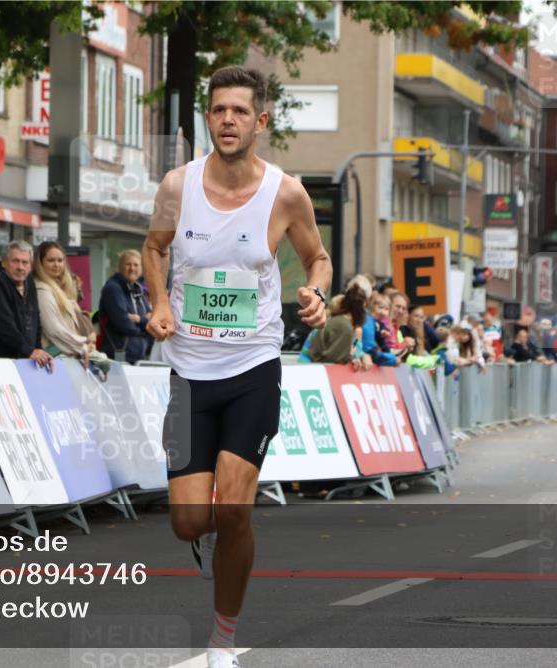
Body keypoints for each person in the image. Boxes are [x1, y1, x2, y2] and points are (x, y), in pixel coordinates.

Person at [142, 65, 332, 667]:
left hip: (253, 368)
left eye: (240, 111)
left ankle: (222, 641)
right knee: (188, 521)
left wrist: (316, 293)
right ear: (209, 117)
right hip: (188, 373)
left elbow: (317, 258)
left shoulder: (287, 193)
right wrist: (162, 302)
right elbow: (154, 247)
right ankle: (210, 546)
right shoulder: (178, 185)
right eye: (219, 109)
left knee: (233, 510)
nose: (228, 120)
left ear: (260, 121)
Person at [0, 240, 52, 369]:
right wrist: (30, 351)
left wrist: (38, 350)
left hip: (22, 361)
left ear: (30, 266)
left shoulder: (29, 281)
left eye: (24, 262)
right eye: (15, 261)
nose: (20, 267)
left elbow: (35, 320)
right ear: (4, 262)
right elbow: (5, 327)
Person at [34, 241, 100, 364]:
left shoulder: (60, 289)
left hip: (65, 358)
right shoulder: (42, 290)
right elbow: (54, 330)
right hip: (53, 360)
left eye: (60, 260)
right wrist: (82, 344)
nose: (56, 265)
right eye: (51, 260)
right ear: (40, 263)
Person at [98, 250, 152, 364]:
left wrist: (138, 319)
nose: (132, 268)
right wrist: (144, 330)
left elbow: (152, 319)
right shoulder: (113, 289)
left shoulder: (138, 290)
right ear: (119, 267)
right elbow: (123, 323)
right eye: (128, 264)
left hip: (138, 357)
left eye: (136, 265)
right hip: (118, 356)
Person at [306, 284, 371, 370]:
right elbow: (333, 359)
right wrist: (351, 359)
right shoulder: (344, 327)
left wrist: (358, 357)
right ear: (361, 308)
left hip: (313, 369)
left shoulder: (340, 323)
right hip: (314, 371)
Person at [361, 292, 398, 366]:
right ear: (372, 307)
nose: (383, 312)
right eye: (380, 308)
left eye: (386, 309)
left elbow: (382, 341)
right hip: (366, 352)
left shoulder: (380, 323)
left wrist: (385, 332)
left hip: (373, 352)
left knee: (393, 358)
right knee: (393, 359)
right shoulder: (367, 319)